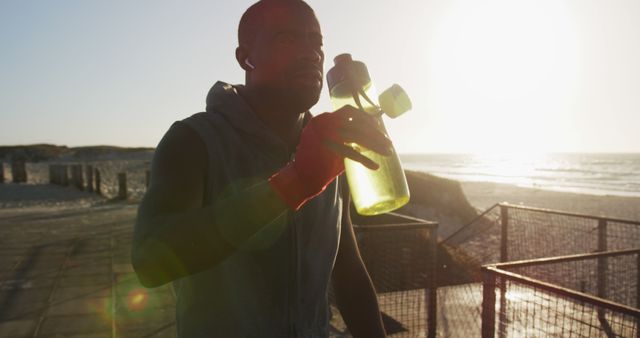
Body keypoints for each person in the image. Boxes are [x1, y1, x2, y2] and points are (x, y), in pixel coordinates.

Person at [132, 0, 391, 336]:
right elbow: (150, 263)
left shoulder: (327, 145)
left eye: (317, 42)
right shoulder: (193, 140)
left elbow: (348, 272)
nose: (311, 53)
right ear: (245, 57)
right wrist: (294, 183)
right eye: (287, 39)